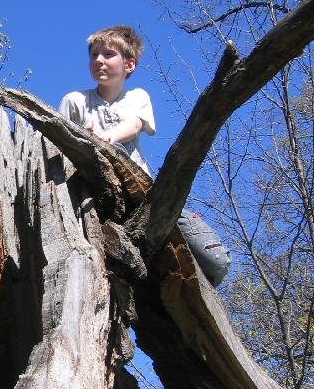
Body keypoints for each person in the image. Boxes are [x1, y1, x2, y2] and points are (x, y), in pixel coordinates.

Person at [59, 26, 231, 286]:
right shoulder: (75, 101)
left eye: (108, 54)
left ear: (129, 65)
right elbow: (58, 143)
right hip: (93, 197)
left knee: (215, 259)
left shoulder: (137, 96)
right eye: (94, 55)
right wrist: (82, 138)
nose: (99, 60)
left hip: (145, 196)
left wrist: (106, 138)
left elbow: (135, 124)